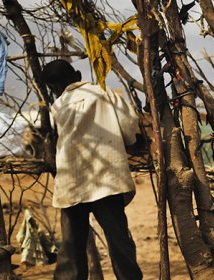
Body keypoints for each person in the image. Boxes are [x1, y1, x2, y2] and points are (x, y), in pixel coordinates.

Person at [42, 59, 144, 280]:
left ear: (55, 88)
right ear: (77, 76)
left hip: (72, 184)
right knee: (119, 243)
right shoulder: (106, 94)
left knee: (71, 249)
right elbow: (129, 130)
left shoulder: (58, 107)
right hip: (107, 181)